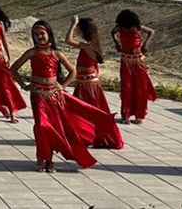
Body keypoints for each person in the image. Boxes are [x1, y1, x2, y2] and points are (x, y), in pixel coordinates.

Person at [10, 20, 117, 173]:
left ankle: (50, 160)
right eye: (36, 34)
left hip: (54, 96)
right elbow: (13, 68)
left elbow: (72, 72)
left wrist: (63, 86)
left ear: (49, 35)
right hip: (38, 95)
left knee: (54, 127)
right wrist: (24, 85)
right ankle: (42, 157)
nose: (39, 37)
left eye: (42, 34)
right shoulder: (31, 52)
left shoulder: (56, 53)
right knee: (41, 126)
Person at [65, 16, 124, 149]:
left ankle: (90, 136)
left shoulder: (87, 46)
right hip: (84, 83)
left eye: (79, 29)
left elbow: (67, 40)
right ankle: (84, 135)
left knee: (87, 112)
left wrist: (73, 24)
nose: (77, 31)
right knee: (83, 112)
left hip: (88, 85)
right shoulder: (90, 44)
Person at [111, 9, 157, 124]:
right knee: (127, 87)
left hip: (138, 60)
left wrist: (146, 44)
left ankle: (139, 115)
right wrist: (116, 43)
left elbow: (152, 31)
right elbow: (112, 32)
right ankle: (125, 115)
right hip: (126, 60)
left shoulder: (137, 27)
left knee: (140, 88)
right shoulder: (120, 28)